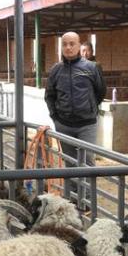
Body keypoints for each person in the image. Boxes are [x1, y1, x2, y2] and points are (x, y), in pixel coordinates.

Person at [44, 31, 106, 199]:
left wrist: (89, 109)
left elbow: (100, 92)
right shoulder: (56, 70)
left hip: (87, 124)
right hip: (64, 124)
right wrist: (55, 117)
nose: (68, 47)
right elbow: (49, 95)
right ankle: (72, 198)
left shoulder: (91, 68)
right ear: (61, 47)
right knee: (69, 161)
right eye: (65, 44)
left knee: (87, 161)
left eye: (72, 44)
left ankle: (86, 200)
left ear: (79, 46)